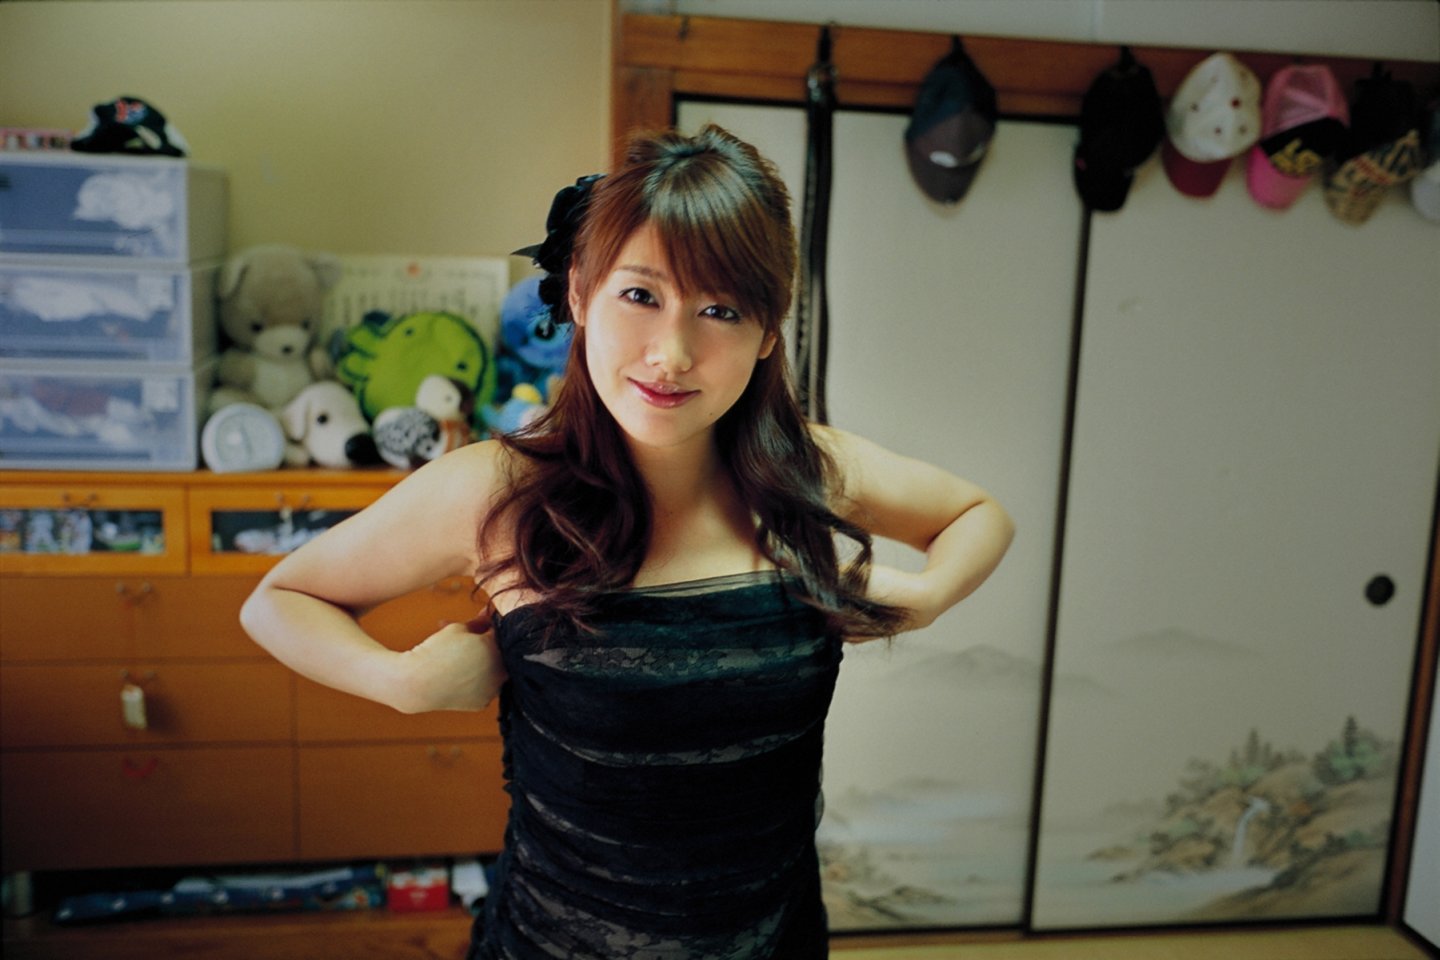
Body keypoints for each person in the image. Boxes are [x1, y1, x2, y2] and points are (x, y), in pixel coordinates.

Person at [241, 124, 1014, 959]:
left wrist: (923, 598)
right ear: (579, 293)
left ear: (767, 333)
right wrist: (399, 681)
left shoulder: (811, 475)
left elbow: (978, 515)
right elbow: (278, 600)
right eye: (641, 296)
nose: (672, 354)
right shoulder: (497, 493)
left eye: (720, 311)